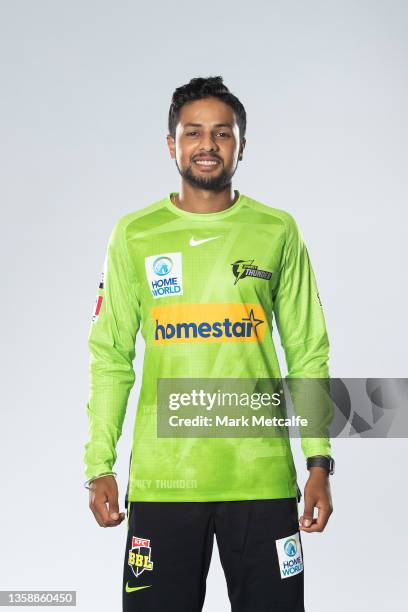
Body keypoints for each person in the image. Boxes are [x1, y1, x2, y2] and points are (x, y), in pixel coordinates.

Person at [84, 76, 334, 612]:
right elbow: (110, 356)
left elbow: (307, 350)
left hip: (261, 480)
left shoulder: (277, 230)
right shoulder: (135, 234)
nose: (207, 144)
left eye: (222, 133)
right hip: (164, 482)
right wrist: (99, 464)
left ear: (241, 145)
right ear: (171, 143)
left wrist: (318, 462)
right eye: (193, 132)